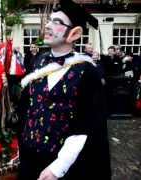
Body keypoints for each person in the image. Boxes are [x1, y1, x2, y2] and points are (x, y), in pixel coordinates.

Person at [18, 0, 111, 179]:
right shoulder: (39, 61)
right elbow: (28, 108)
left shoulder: (87, 71)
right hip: (30, 157)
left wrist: (58, 167)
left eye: (57, 22)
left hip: (62, 163)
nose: (48, 26)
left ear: (74, 33)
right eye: (50, 20)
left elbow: (88, 123)